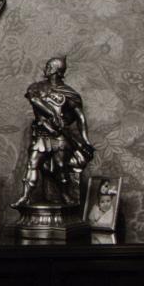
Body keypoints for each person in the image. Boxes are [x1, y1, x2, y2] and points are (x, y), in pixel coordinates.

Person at [14, 56, 95, 208]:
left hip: (59, 137)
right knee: (32, 164)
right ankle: (25, 197)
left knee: (60, 167)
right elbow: (34, 100)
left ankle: (65, 195)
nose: (46, 68)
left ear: (57, 71)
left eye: (49, 66)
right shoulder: (36, 87)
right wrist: (52, 113)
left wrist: (86, 140)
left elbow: (81, 118)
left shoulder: (69, 93)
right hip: (41, 134)